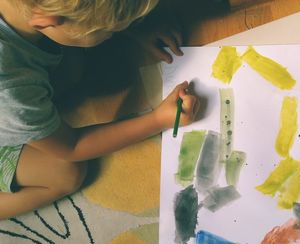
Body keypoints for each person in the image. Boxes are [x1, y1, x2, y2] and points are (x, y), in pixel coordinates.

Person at [0, 0, 199, 219]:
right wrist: (158, 120)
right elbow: (71, 146)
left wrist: (134, 27)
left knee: (74, 65)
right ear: (46, 22)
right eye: (109, 29)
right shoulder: (11, 89)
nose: (114, 32)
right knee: (66, 173)